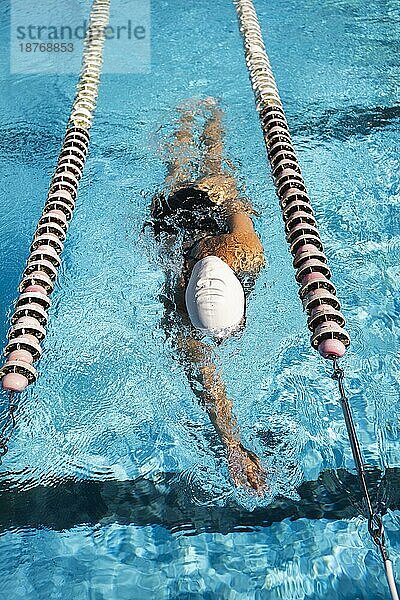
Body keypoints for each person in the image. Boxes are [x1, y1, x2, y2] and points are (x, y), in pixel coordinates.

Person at [150, 99, 266, 493]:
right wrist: (232, 446)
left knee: (209, 169)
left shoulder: (245, 252)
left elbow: (205, 378)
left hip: (184, 225)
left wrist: (232, 445)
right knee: (190, 171)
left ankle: (197, 114)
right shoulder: (244, 255)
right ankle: (202, 115)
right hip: (175, 224)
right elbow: (208, 380)